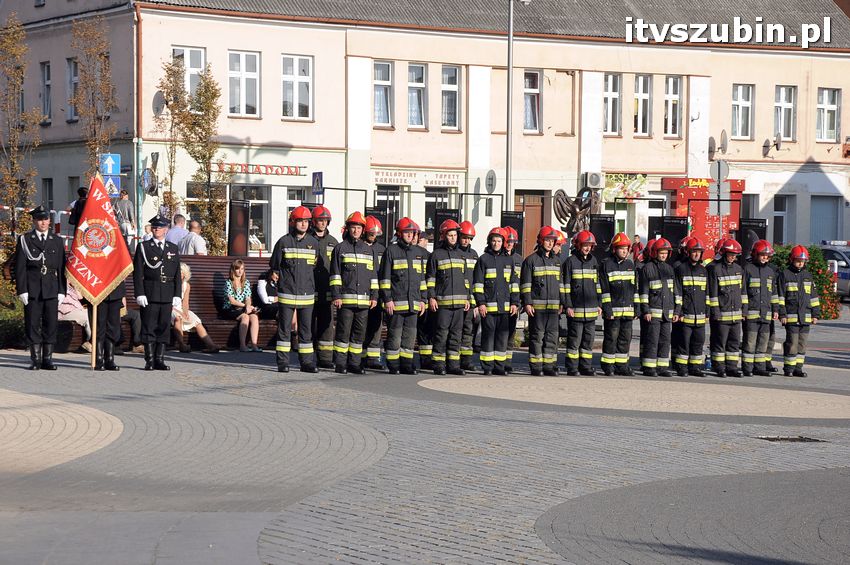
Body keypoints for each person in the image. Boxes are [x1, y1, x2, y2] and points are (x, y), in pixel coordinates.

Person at [15, 205, 67, 370]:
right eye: (39, 219)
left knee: (51, 323)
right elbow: (20, 268)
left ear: (49, 221)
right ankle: (35, 359)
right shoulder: (25, 239)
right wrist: (22, 289)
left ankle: (47, 359)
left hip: (51, 287)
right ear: (34, 221)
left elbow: (62, 268)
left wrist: (62, 290)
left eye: (45, 219)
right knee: (32, 322)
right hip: (32, 287)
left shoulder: (57, 241)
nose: (43, 223)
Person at [269, 206, 320, 373]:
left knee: (306, 331)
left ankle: (306, 363)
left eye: (306, 221)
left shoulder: (313, 243)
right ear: (293, 222)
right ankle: (283, 363)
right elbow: (275, 266)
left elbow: (315, 266)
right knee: (284, 330)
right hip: (287, 292)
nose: (304, 224)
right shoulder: (283, 242)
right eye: (300, 221)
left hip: (307, 293)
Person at [330, 212, 378, 374]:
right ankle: (341, 363)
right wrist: (336, 296)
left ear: (363, 230)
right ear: (348, 228)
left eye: (359, 228)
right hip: (346, 300)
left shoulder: (368, 250)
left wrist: (374, 296)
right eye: (353, 227)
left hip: (364, 301)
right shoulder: (340, 248)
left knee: (359, 334)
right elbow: (335, 275)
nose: (356, 230)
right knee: (343, 332)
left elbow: (373, 276)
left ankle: (355, 363)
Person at [380, 217, 428, 375]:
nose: (410, 235)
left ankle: (407, 364)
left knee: (410, 336)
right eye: (406, 232)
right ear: (399, 234)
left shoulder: (417, 253)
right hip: (396, 302)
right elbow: (385, 278)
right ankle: (393, 364)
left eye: (412, 233)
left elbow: (421, 278)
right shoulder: (391, 251)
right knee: (395, 335)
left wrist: (423, 300)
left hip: (413, 302)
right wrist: (387, 299)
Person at [134, 214, 182, 371]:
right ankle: (149, 360)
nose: (156, 229)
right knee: (149, 326)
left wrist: (177, 295)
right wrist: (139, 293)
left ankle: (160, 359)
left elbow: (176, 274)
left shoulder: (172, 248)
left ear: (166, 229)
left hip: (167, 293)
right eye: (154, 227)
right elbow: (138, 273)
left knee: (163, 327)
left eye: (159, 227)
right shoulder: (144, 247)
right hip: (150, 292)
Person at [473, 227, 519, 375]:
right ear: (489, 242)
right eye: (493, 240)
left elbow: (514, 284)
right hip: (488, 308)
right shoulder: (483, 259)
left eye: (499, 241)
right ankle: (487, 367)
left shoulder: (509, 260)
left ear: (504, 242)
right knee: (488, 337)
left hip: (505, 308)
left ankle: (499, 366)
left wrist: (514, 303)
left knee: (502, 338)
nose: (496, 243)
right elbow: (478, 284)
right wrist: (481, 303)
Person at [427, 219, 469, 375]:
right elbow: (430, 279)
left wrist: (467, 298)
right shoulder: (436, 255)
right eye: (450, 235)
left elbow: (465, 279)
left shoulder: (460, 255)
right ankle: (438, 364)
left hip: (459, 304)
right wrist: (431, 297)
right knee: (441, 334)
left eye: (455, 235)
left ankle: (453, 365)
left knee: (456, 335)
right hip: (443, 303)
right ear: (444, 236)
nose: (453, 238)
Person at [521, 226, 562, 376]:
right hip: (537, 308)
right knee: (537, 337)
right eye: (547, 240)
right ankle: (536, 367)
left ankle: (549, 366)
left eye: (552, 241)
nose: (550, 244)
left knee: (552, 337)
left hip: (553, 307)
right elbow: (525, 285)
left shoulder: (557, 262)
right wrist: (527, 303)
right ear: (540, 241)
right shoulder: (531, 261)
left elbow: (561, 285)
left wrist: (562, 303)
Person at [638, 238, 680, 377]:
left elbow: (675, 291)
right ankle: (649, 367)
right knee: (652, 340)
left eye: (666, 253)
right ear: (655, 252)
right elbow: (643, 292)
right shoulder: (647, 269)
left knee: (665, 341)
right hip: (653, 312)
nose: (663, 255)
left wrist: (677, 310)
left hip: (667, 312)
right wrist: (646, 310)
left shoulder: (669, 269)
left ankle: (662, 367)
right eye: (661, 252)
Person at [562, 230, 602, 376]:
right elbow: (565, 286)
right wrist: (568, 305)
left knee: (588, 340)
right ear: (578, 245)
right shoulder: (570, 262)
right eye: (585, 245)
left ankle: (585, 366)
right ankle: (572, 367)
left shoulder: (593, 261)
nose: (587, 248)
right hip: (576, 309)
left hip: (591, 309)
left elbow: (596, 284)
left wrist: (599, 304)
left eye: (589, 245)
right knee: (574, 340)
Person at [778, 245, 820, 377]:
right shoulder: (785, 275)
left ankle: (798, 368)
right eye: (798, 260)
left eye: (802, 261)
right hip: (791, 317)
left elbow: (813, 296)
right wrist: (782, 314)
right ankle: (788, 368)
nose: (800, 263)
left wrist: (815, 314)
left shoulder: (808, 276)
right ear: (792, 259)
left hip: (806, 317)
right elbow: (780, 297)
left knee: (802, 344)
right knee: (792, 343)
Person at [599, 232, 637, 376]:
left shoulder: (630, 265)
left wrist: (636, 308)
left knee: (624, 339)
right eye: (621, 248)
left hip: (627, 310)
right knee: (611, 338)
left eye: (626, 248)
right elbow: (604, 289)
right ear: (614, 249)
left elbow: (635, 288)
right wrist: (607, 308)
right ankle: (608, 366)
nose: (624, 251)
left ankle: (622, 366)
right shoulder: (607, 265)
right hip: (613, 311)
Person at [707, 238, 746, 378]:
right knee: (720, 342)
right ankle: (719, 367)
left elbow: (743, 292)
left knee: (734, 343)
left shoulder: (738, 269)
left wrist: (744, 311)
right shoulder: (716, 269)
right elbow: (712, 293)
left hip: (736, 316)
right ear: (724, 253)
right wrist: (715, 312)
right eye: (731, 254)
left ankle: (732, 367)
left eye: (735, 255)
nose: (733, 257)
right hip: (722, 315)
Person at [742, 240, 779, 376]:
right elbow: (743, 291)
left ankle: (760, 367)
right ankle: (747, 367)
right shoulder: (748, 269)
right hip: (751, 315)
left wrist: (775, 310)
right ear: (756, 254)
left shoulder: (770, 272)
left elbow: (774, 293)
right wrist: (744, 311)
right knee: (750, 342)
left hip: (766, 315)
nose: (765, 258)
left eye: (767, 256)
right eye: (763, 255)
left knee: (763, 341)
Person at [673, 237, 709, 376]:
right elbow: (678, 292)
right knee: (684, 342)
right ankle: (682, 367)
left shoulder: (703, 271)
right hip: (686, 315)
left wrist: (708, 311)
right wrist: (679, 312)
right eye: (694, 251)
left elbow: (707, 293)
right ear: (688, 252)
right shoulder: (681, 269)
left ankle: (695, 367)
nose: (696, 254)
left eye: (699, 252)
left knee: (698, 342)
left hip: (700, 315)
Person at [310, 205, 338, 369]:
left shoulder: (333, 243)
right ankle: (307, 357)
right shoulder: (307, 240)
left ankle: (325, 358)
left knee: (326, 325)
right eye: (320, 220)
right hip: (309, 290)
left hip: (327, 292)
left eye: (325, 220)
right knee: (308, 326)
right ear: (314, 221)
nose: (322, 223)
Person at [172, 263, 219, 353]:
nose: (180, 275)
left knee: (197, 321)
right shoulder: (170, 284)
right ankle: (182, 345)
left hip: (181, 308)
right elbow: (168, 303)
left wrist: (185, 312)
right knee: (178, 318)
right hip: (171, 309)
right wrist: (180, 313)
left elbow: (185, 301)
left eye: (182, 273)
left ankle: (211, 346)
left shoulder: (186, 285)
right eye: (179, 272)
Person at [362, 216, 386, 370]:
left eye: (376, 234)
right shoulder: (358, 247)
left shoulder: (382, 250)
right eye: (371, 233)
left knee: (376, 326)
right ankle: (360, 356)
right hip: (362, 292)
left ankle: (373, 357)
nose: (374, 236)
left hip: (378, 294)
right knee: (361, 326)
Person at [222, 259, 261, 351]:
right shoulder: (228, 283)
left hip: (242, 308)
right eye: (238, 269)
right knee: (245, 317)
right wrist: (245, 306)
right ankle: (242, 346)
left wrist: (248, 305)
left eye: (242, 269)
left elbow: (248, 298)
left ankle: (254, 345)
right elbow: (232, 301)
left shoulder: (246, 282)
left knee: (254, 317)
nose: (240, 271)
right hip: (230, 309)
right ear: (233, 270)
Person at [458, 220, 479, 371]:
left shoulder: (474, 255)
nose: (466, 240)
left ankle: (466, 360)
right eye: (464, 237)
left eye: (469, 238)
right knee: (455, 331)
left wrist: (476, 303)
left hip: (471, 301)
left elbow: (476, 280)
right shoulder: (454, 253)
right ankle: (453, 359)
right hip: (456, 299)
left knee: (468, 331)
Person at [414, 227, 434, 369]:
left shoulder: (429, 256)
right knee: (424, 330)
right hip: (420, 296)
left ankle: (425, 358)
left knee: (424, 329)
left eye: (420, 239)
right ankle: (425, 359)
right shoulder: (429, 255)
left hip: (422, 296)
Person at [504, 226, 522, 373]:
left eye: (512, 241)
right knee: (499, 333)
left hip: (514, 303)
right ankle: (498, 360)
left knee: (511, 333)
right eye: (507, 241)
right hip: (499, 302)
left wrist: (518, 302)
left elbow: (522, 283)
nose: (510, 244)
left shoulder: (519, 260)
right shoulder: (498, 256)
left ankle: (507, 361)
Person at [58, 285, 92, 352]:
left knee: (92, 313)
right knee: (88, 316)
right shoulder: (58, 283)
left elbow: (80, 297)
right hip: (65, 312)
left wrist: (75, 286)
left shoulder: (71, 285)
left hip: (77, 309)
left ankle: (94, 342)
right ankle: (92, 342)